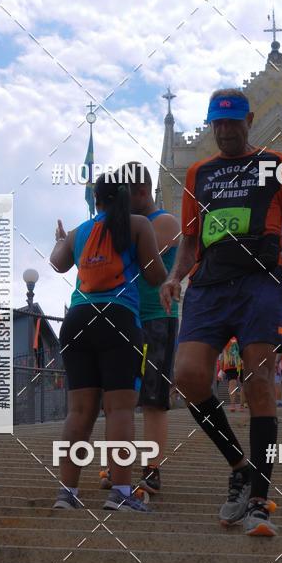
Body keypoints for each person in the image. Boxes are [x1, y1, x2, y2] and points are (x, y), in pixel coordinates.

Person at [160, 88, 282, 536]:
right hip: (209, 284)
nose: (225, 131)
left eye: (233, 122)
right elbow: (190, 240)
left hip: (261, 282)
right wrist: (175, 277)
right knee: (188, 376)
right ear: (211, 126)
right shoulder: (198, 173)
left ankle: (261, 500)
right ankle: (239, 466)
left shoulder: (277, 165)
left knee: (259, 379)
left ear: (249, 120)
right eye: (218, 124)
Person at [50, 172, 166, 512]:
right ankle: (120, 491)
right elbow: (155, 275)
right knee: (119, 409)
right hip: (119, 319)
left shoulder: (80, 231)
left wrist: (60, 239)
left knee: (79, 411)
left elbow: (58, 264)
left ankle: (67, 494)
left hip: (78, 320)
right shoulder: (138, 225)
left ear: (96, 198)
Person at [128, 163, 180, 496]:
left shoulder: (164, 222)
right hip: (127, 317)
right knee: (119, 396)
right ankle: (117, 464)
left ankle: (151, 469)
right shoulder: (129, 223)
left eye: (125, 197)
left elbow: (139, 257)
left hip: (157, 316)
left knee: (153, 398)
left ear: (143, 193)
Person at [222, 336, 242, 411]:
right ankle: (235, 404)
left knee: (237, 384)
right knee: (234, 383)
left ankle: (239, 404)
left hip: (236, 364)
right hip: (232, 364)